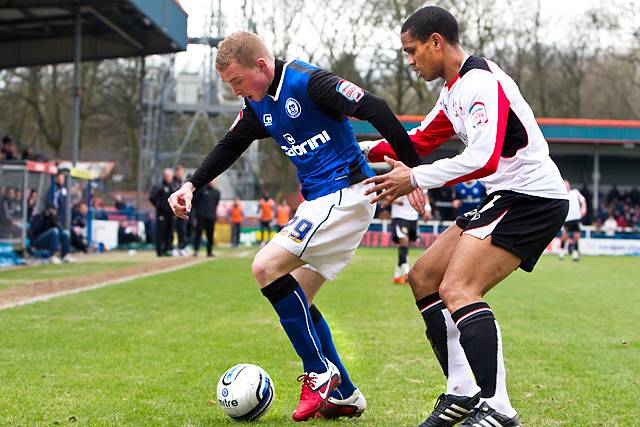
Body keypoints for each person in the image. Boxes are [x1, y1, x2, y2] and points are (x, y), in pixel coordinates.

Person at [168, 31, 421, 421]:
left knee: (264, 267)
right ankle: (345, 395)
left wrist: (414, 171)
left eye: (237, 81)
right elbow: (229, 144)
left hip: (345, 195)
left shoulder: (310, 82)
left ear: (262, 66)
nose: (236, 91)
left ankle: (319, 372)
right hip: (324, 204)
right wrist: (191, 184)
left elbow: (376, 107)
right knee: (298, 298)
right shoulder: (258, 104)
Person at [361, 7, 568, 426]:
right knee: (424, 277)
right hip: (506, 196)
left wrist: (416, 178)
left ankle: (501, 411)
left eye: (412, 50)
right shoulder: (452, 90)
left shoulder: (480, 82)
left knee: (459, 288)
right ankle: (462, 393)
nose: (410, 61)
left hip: (532, 198)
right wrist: (359, 150)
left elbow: (484, 158)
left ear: (436, 42)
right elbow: (416, 141)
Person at [391, 191, 431, 284]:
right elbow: (385, 196)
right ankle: (407, 274)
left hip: (413, 217)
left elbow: (424, 195)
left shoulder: (417, 178)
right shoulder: (394, 177)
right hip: (399, 216)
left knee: (405, 246)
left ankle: (397, 276)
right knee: (403, 241)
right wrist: (395, 200)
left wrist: (428, 209)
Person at [149, 168, 175, 257]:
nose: (170, 178)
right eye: (169, 176)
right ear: (165, 176)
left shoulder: (172, 186)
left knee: (169, 232)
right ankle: (159, 251)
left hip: (171, 214)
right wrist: (159, 206)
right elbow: (152, 198)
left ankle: (167, 249)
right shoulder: (159, 186)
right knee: (160, 232)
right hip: (162, 214)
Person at [192, 180, 221, 257]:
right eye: (213, 181)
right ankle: (196, 250)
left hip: (211, 217)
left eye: (215, 181)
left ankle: (209, 251)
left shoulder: (217, 192)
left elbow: (216, 204)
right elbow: (195, 201)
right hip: (201, 216)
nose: (214, 182)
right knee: (198, 233)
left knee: (210, 235)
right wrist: (196, 214)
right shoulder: (202, 190)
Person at [559, 180, 586, 261]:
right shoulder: (562, 195)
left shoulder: (575, 192)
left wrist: (584, 208)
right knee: (564, 236)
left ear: (569, 185)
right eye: (564, 184)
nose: (566, 186)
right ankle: (562, 253)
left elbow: (583, 200)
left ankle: (575, 254)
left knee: (577, 236)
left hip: (576, 218)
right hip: (567, 219)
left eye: (567, 184)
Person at [172, 164, 189, 255]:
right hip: (174, 211)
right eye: (180, 172)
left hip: (181, 210)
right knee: (173, 230)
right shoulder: (173, 182)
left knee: (182, 229)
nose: (181, 174)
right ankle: (173, 248)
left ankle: (182, 246)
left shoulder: (182, 182)